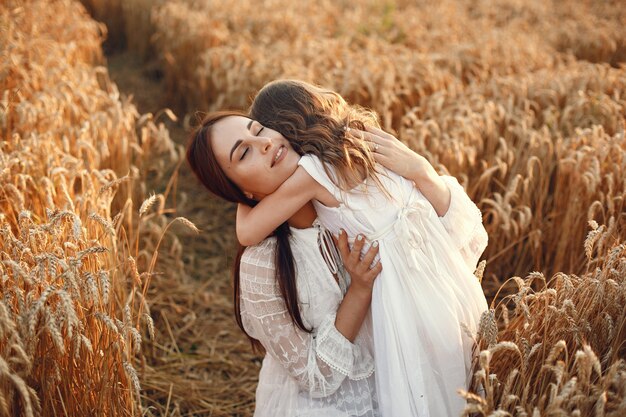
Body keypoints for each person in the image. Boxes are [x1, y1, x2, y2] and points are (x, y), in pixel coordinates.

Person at [236, 80, 490, 416]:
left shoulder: (312, 172)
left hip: (398, 300)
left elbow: (248, 232)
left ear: (286, 130)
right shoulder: (370, 139)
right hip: (449, 286)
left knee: (418, 392)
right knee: (461, 381)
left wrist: (239, 193)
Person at [186, 110, 383, 417]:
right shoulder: (261, 264)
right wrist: (358, 291)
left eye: (260, 128)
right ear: (241, 194)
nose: (263, 143)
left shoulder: (348, 196)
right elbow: (317, 379)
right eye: (244, 152)